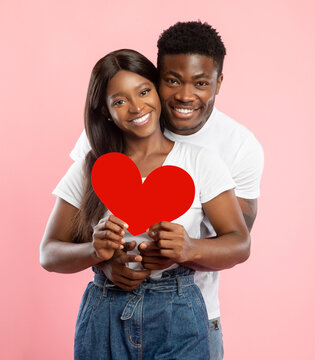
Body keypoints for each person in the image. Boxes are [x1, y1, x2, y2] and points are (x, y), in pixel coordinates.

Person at [69, 21, 264, 359]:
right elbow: (67, 235)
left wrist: (181, 251)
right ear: (157, 77)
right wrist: (103, 262)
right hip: (108, 305)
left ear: (218, 82)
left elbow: (237, 241)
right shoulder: (110, 136)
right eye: (172, 81)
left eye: (201, 83)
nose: (185, 95)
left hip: (190, 308)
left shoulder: (236, 147)